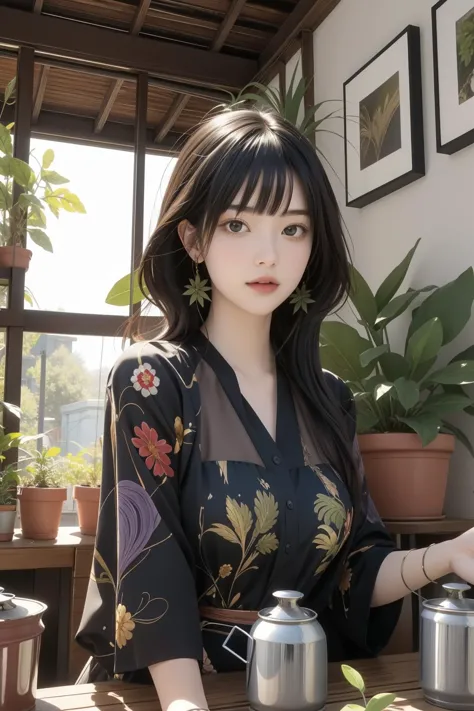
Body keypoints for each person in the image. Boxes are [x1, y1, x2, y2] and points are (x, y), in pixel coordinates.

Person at [76, 108, 474, 711]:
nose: (269, 254)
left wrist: (446, 555)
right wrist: (189, 707)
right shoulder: (151, 380)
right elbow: (149, 567)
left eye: (293, 229)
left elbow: (354, 569)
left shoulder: (329, 397)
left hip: (304, 684)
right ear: (192, 239)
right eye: (237, 225)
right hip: (181, 691)